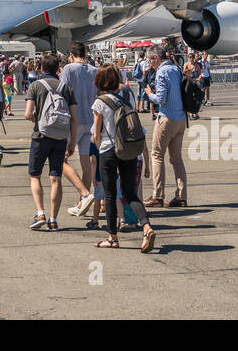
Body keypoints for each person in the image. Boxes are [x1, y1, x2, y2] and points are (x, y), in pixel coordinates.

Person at [89, 65, 155, 252]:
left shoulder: (99, 102)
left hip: (109, 151)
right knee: (130, 192)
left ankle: (112, 237)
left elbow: (96, 134)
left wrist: (99, 144)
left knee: (110, 194)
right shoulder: (125, 100)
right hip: (128, 148)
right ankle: (146, 226)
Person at [25, 54, 77, 230]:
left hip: (41, 136)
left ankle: (40, 213)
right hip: (61, 137)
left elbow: (28, 113)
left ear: (41, 68)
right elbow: (74, 118)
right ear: (58, 69)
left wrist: (38, 120)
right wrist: (72, 142)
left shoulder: (35, 86)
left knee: (35, 175)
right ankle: (53, 219)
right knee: (56, 178)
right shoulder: (66, 88)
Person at [144, 48, 187, 207]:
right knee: (176, 159)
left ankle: (158, 195)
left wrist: (149, 93)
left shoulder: (161, 72)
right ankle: (182, 195)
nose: (150, 63)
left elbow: (160, 99)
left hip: (167, 118)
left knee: (157, 155)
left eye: (150, 60)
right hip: (181, 118)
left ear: (156, 58)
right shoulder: (175, 68)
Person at [59, 42, 99, 216]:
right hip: (90, 119)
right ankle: (82, 200)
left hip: (73, 120)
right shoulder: (94, 70)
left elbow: (61, 92)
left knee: (60, 159)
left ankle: (84, 193)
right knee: (87, 164)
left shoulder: (68, 69)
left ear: (71, 54)